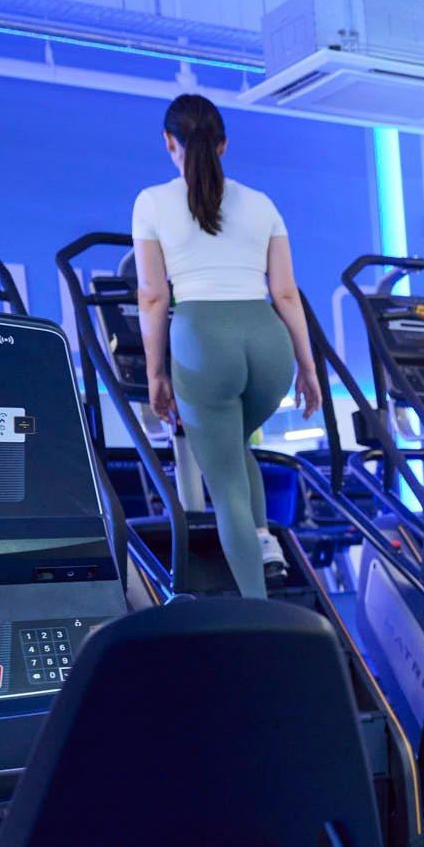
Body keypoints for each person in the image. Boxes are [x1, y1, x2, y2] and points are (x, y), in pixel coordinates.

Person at [132, 93, 321, 600]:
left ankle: (258, 614)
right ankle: (266, 543)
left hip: (202, 342)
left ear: (168, 142)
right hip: (269, 344)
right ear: (224, 145)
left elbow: (152, 297)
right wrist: (306, 367)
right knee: (234, 445)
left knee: (228, 489)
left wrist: (155, 375)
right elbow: (285, 293)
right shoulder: (262, 204)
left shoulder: (152, 202)